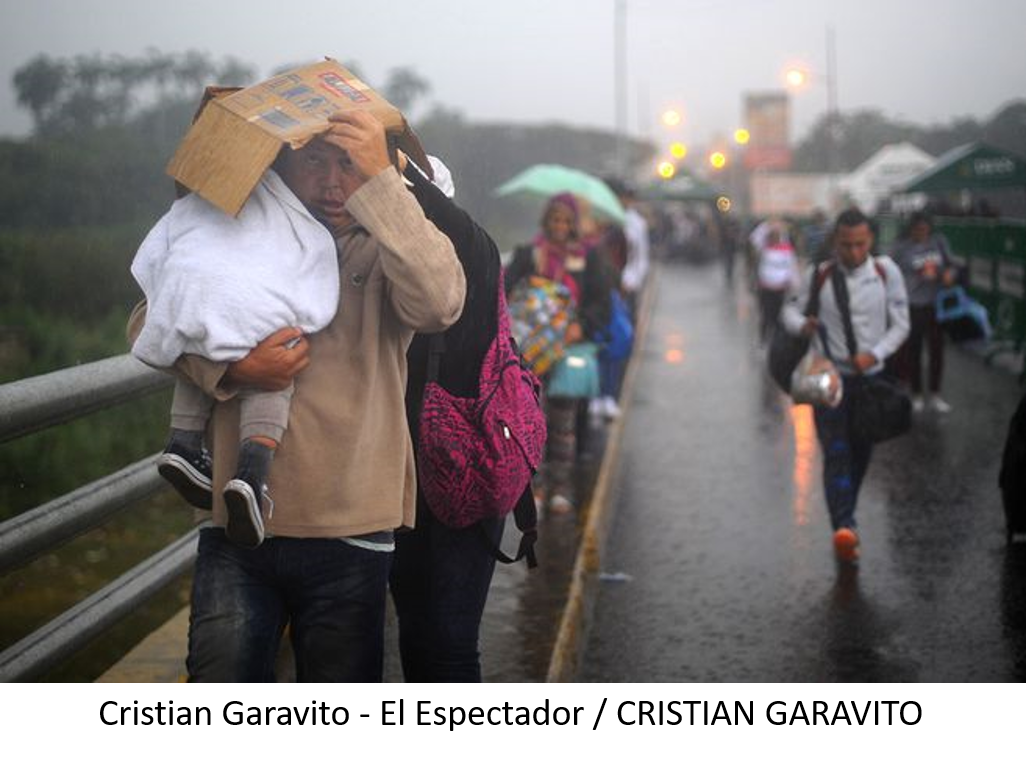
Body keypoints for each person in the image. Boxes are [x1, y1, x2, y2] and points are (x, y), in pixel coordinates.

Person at [128, 110, 466, 682]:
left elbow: (440, 303)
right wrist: (231, 366)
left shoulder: (388, 243)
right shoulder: (239, 231)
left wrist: (383, 185)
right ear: (280, 164)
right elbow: (146, 323)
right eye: (314, 162)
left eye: (348, 164)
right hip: (236, 523)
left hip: (352, 524)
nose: (333, 183)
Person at [131, 161, 339, 549]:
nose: (330, 181)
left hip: (194, 286)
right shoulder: (284, 202)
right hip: (249, 300)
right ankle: (250, 474)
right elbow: (304, 253)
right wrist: (245, 367)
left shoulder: (209, 196)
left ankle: (182, 443)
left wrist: (227, 368)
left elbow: (164, 268)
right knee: (278, 365)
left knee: (194, 336)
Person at [391, 156, 511, 682]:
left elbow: (446, 219)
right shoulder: (389, 264)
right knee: (416, 625)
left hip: (468, 464)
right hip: (404, 476)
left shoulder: (476, 251)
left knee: (453, 637)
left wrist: (393, 171)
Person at [781, 208, 909, 563]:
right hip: (828, 380)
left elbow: (901, 324)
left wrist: (876, 353)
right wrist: (802, 325)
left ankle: (845, 521)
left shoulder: (887, 273)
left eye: (860, 245)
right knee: (836, 453)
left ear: (870, 241)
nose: (853, 253)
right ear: (834, 242)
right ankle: (845, 526)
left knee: (860, 453)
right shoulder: (818, 275)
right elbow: (788, 311)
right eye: (845, 245)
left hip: (871, 381)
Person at [506, 193, 612, 514]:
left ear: (574, 224)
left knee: (564, 421)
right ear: (546, 221)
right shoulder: (529, 254)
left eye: (567, 221)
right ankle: (534, 487)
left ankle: (561, 487)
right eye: (555, 220)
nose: (560, 227)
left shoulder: (588, 259)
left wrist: (583, 325)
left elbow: (601, 301)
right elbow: (506, 286)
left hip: (568, 347)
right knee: (532, 419)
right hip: (532, 349)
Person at [888, 212, 958, 412]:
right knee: (914, 351)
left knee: (937, 351)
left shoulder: (938, 242)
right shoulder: (902, 247)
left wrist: (948, 274)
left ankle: (935, 393)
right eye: (917, 229)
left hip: (935, 304)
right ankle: (916, 393)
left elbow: (953, 264)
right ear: (911, 229)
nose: (921, 233)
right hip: (912, 305)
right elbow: (889, 270)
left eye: (925, 229)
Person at [754, 226, 800, 345]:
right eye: (772, 236)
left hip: (781, 288)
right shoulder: (764, 249)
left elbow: (792, 267)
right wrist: (767, 223)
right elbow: (755, 237)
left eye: (777, 236)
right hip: (766, 287)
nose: (775, 238)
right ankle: (763, 339)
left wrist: (794, 283)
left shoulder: (786, 250)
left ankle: (777, 338)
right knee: (766, 313)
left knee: (779, 314)